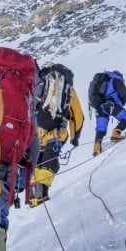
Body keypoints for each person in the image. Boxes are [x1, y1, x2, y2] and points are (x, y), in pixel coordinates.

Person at [29, 63, 85, 206]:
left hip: (35, 132)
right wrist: (74, 137)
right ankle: (42, 193)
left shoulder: (40, 84)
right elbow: (77, 115)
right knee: (50, 160)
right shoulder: (68, 88)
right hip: (57, 132)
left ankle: (33, 196)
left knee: (37, 161)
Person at [90, 70, 126, 155]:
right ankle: (116, 133)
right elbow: (123, 94)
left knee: (101, 127)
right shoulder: (116, 80)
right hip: (110, 105)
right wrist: (121, 104)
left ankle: (97, 147)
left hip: (100, 108)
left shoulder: (103, 82)